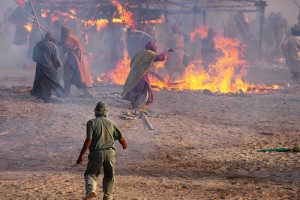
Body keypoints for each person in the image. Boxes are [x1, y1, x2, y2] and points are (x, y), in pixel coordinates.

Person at [76, 102, 128, 200]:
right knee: (109, 175)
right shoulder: (112, 123)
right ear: (106, 112)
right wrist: (124, 145)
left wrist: (81, 155)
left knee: (90, 173)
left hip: (96, 152)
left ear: (95, 112)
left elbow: (89, 139)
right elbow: (121, 139)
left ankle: (91, 189)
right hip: (110, 153)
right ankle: (108, 197)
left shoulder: (91, 123)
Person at [122, 41, 173, 110]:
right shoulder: (149, 53)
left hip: (134, 73)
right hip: (141, 74)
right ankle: (138, 105)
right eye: (155, 47)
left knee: (135, 88)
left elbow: (132, 62)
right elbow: (159, 57)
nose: (156, 48)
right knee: (146, 90)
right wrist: (167, 52)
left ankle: (135, 103)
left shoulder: (141, 52)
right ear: (151, 47)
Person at [31, 32, 64, 103]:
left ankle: (41, 95)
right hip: (49, 66)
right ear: (51, 38)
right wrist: (57, 65)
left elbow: (34, 57)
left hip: (40, 66)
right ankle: (47, 97)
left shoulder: (38, 44)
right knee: (50, 81)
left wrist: (39, 60)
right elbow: (56, 58)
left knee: (41, 81)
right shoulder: (53, 46)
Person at [60, 26, 93, 97]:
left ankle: (67, 93)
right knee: (79, 75)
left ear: (65, 33)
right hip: (75, 58)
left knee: (68, 74)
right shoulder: (71, 37)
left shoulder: (69, 38)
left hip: (74, 59)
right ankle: (85, 92)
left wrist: (62, 44)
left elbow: (65, 50)